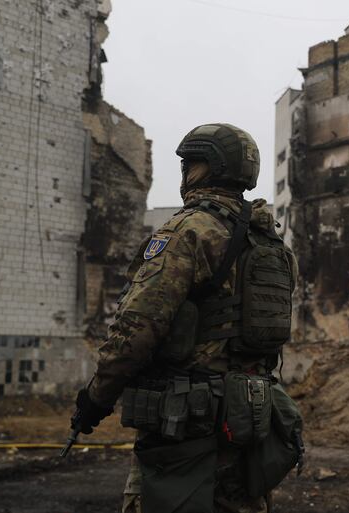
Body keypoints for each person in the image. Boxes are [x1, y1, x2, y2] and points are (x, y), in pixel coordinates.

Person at [69, 123, 304, 513]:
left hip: (185, 431)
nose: (184, 173)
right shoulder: (271, 243)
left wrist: (96, 399)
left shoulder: (188, 231)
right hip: (249, 419)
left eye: (190, 164)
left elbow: (136, 329)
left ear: (207, 168)